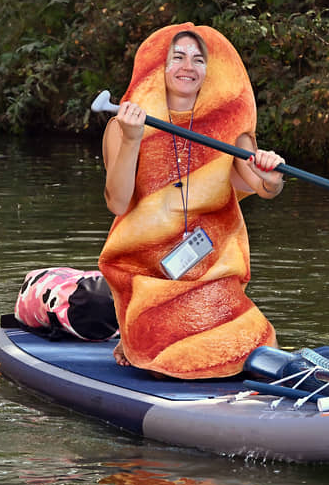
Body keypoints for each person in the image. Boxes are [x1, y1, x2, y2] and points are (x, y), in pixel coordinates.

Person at [98, 23, 283, 379]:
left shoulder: (230, 131)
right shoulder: (121, 127)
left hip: (211, 271)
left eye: (199, 60)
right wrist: (133, 138)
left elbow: (265, 188)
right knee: (169, 358)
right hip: (147, 273)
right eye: (177, 57)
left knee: (246, 343)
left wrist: (272, 175)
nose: (189, 66)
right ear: (158, 67)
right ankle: (134, 327)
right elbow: (117, 202)